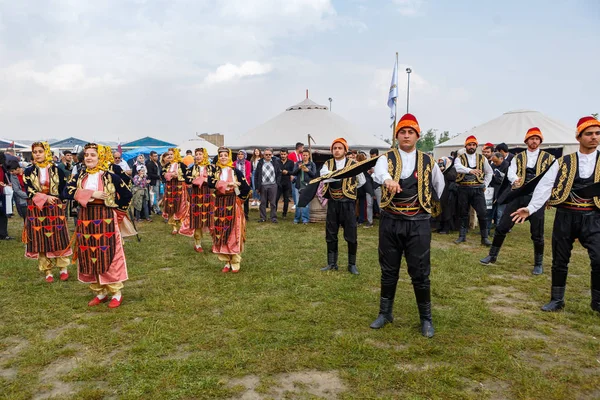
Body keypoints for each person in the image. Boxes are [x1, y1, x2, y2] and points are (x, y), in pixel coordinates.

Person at [512, 116, 600, 312]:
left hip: (594, 218)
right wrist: (531, 208)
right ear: (579, 137)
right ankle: (557, 299)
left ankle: (598, 301)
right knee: (560, 259)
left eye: (597, 133)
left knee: (599, 258)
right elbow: (544, 186)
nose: (594, 137)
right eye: (589, 134)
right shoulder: (563, 162)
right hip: (565, 216)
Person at [369, 113, 444, 338]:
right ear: (397, 135)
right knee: (388, 270)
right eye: (403, 132)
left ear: (417, 136)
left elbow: (439, 187)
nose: (407, 135)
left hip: (418, 224)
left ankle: (426, 319)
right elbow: (379, 173)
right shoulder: (386, 158)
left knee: (420, 273)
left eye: (411, 132)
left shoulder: (429, 161)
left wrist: (430, 209)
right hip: (391, 222)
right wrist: (388, 180)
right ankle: (385, 313)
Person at [64, 143, 132, 308]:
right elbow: (66, 192)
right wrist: (90, 194)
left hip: (106, 219)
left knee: (109, 254)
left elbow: (126, 194)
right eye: (86, 154)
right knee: (90, 254)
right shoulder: (80, 175)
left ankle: (116, 293)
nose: (88, 157)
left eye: (92, 155)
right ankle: (100, 292)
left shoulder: (110, 176)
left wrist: (119, 214)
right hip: (86, 218)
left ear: (100, 157)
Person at [481, 128, 555, 275]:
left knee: (537, 233)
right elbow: (511, 172)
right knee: (502, 226)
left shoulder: (549, 158)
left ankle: (538, 263)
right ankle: (492, 255)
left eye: (537, 139)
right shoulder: (518, 157)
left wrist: (547, 197)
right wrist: (515, 179)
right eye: (531, 138)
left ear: (540, 141)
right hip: (519, 195)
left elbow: (552, 178)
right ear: (526, 140)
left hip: (537, 197)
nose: (534, 141)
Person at [23, 142, 72, 282]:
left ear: (47, 152)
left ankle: (63, 268)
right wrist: (45, 197)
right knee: (40, 238)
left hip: (54, 207)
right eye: (35, 152)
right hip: (37, 208)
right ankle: (47, 270)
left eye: (40, 151)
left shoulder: (58, 171)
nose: (37, 154)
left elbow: (64, 189)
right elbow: (29, 189)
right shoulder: (28, 171)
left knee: (58, 236)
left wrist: (61, 202)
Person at [319, 138, 365, 275]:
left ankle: (352, 264)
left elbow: (361, 181)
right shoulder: (327, 163)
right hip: (333, 202)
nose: (337, 150)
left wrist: (350, 189)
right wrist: (335, 176)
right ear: (331, 150)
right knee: (331, 233)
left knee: (351, 234)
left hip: (348, 204)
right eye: (335, 148)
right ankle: (332, 263)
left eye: (340, 148)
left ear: (345, 150)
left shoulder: (353, 164)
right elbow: (325, 177)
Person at [208, 147, 251, 273]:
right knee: (221, 231)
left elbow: (245, 188)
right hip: (220, 203)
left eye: (225, 155)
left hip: (232, 203)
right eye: (220, 155)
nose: (223, 157)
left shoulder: (236, 171)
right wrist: (227, 184)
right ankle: (226, 261)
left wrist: (239, 198)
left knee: (233, 231)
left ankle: (235, 261)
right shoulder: (215, 171)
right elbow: (210, 183)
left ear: (229, 156)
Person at [454, 135, 493, 245]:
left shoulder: (482, 158)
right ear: (465, 146)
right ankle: (462, 236)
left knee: (482, 213)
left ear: (476, 146)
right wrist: (470, 170)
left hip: (477, 189)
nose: (471, 147)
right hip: (463, 188)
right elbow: (457, 167)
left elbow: (489, 172)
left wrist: (485, 184)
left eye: (473, 145)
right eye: (469, 145)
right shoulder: (459, 158)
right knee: (463, 213)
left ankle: (484, 238)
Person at [182, 148, 214, 252]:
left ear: (205, 155)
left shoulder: (211, 168)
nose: (198, 156)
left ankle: (215, 243)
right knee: (197, 220)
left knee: (211, 220)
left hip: (209, 196)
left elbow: (215, 180)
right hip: (196, 196)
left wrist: (206, 180)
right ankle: (198, 243)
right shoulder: (192, 168)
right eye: (197, 154)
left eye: (200, 154)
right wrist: (196, 180)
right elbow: (187, 179)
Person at [162, 148, 190, 234]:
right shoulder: (166, 166)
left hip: (180, 188)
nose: (170, 156)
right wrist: (169, 175)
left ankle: (181, 224)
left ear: (176, 154)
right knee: (171, 206)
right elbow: (162, 175)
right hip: (170, 188)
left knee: (181, 205)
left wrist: (178, 176)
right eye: (169, 154)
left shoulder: (182, 165)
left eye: (172, 154)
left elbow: (187, 175)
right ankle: (174, 227)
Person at [254, 148, 282, 223]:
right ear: (263, 155)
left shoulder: (275, 162)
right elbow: (256, 175)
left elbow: (279, 173)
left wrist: (277, 183)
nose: (268, 156)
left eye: (270, 154)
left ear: (272, 155)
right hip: (263, 185)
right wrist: (257, 187)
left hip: (273, 185)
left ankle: (273, 218)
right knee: (263, 202)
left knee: (273, 203)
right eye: (266, 154)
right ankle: (263, 217)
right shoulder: (260, 163)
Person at [290, 149, 317, 224]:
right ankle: (296, 219)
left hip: (308, 186)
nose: (304, 157)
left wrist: (308, 170)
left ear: (309, 156)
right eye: (303, 155)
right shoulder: (298, 163)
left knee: (305, 203)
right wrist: (299, 168)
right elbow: (293, 173)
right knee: (298, 203)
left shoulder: (312, 164)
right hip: (298, 185)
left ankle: (305, 219)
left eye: (306, 155)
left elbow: (314, 175)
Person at [277, 149, 294, 219]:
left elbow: (293, 172)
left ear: (287, 154)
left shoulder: (291, 162)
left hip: (287, 182)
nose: (283, 156)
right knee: (276, 198)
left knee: (286, 199)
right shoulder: (277, 162)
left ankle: (284, 214)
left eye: (284, 154)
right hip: (278, 182)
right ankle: (274, 213)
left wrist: (288, 172)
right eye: (282, 154)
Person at [235, 150, 252, 220]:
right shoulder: (234, 163)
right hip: (236, 184)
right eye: (239, 154)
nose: (240, 155)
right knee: (237, 198)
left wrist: (243, 181)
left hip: (245, 183)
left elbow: (248, 173)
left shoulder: (247, 163)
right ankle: (237, 214)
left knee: (246, 200)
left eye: (242, 154)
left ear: (244, 155)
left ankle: (246, 214)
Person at [288, 142, 304, 210]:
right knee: (294, 189)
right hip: (294, 174)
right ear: (299, 147)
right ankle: (295, 203)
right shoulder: (291, 155)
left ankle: (300, 201)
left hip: (300, 174)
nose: (303, 149)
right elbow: (289, 165)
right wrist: (291, 174)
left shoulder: (301, 155)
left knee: (300, 188)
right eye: (303, 148)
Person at [0, 152, 12, 240]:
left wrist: (7, 184)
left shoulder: (3, 168)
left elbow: (6, 178)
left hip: (2, 193)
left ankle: (3, 233)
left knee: (3, 213)